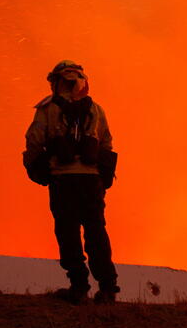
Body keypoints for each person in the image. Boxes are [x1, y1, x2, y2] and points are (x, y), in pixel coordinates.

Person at [23, 60, 119, 304]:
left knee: (68, 232)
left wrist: (36, 168)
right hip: (91, 181)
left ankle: (79, 286)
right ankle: (108, 288)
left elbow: (34, 140)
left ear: (57, 82)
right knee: (96, 231)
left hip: (63, 179)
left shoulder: (47, 108)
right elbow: (106, 142)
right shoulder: (95, 109)